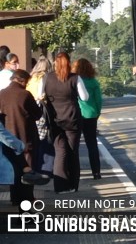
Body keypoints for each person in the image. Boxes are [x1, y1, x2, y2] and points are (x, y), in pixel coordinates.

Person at [43, 51, 89, 193]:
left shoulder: (47, 78)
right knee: (72, 152)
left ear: (55, 63)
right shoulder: (75, 78)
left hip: (54, 120)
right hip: (72, 119)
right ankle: (72, 185)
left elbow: (40, 95)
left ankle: (60, 186)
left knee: (60, 152)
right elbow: (85, 97)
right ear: (69, 63)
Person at [0, 69, 46, 204]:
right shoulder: (25, 95)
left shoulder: (1, 94)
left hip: (7, 140)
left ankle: (15, 199)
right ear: (22, 81)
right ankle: (27, 203)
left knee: (14, 171)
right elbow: (37, 114)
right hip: (26, 139)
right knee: (27, 174)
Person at [72, 58, 103, 179]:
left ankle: (76, 172)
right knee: (92, 144)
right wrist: (97, 112)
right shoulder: (93, 82)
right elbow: (99, 100)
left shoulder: (74, 80)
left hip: (77, 115)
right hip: (91, 115)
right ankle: (96, 172)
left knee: (75, 144)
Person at [26, 56, 55, 175]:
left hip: (31, 112)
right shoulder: (44, 77)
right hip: (41, 111)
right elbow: (40, 95)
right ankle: (46, 169)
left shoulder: (31, 78)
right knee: (46, 140)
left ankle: (36, 166)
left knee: (37, 140)